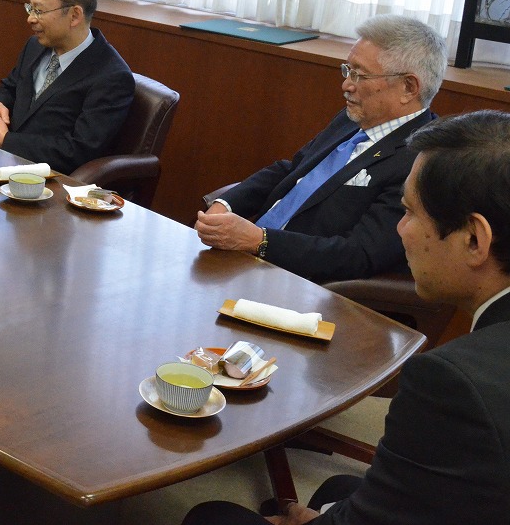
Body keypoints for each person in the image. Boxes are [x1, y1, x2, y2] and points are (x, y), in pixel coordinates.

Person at [181, 110, 510, 525]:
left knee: (211, 517)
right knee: (340, 490)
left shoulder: (452, 383)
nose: (401, 230)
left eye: (409, 213)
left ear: (475, 240)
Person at [195, 15, 445, 284]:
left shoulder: (422, 159)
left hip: (302, 285)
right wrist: (227, 204)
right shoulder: (351, 119)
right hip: (248, 259)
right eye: (347, 70)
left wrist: (260, 241)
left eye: (360, 75)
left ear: (408, 87)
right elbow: (291, 170)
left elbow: (358, 255)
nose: (346, 85)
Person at [0, 0, 134, 173]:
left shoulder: (111, 76)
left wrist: (7, 141)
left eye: (39, 11)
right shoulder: (34, 46)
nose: (30, 19)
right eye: (30, 8)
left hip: (50, 185)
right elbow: (9, 87)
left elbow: (79, 150)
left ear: (74, 15)